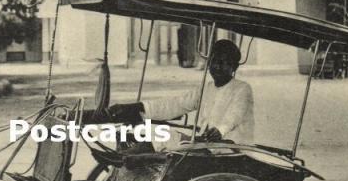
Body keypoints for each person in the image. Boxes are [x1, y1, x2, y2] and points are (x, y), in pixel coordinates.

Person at [102, 38, 254, 144]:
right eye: (214, 61)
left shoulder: (242, 89)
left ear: (234, 67)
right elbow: (177, 104)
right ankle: (130, 159)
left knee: (169, 140)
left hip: (231, 148)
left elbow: (234, 116)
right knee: (161, 135)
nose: (217, 67)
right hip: (206, 145)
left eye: (223, 63)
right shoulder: (206, 88)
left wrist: (220, 130)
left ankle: (134, 160)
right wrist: (140, 107)